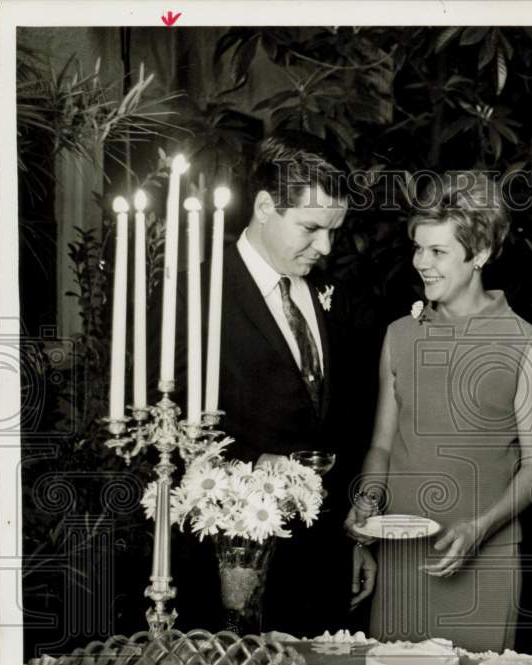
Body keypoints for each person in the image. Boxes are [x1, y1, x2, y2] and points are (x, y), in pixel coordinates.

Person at [149, 131, 375, 637]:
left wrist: (356, 542)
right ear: (267, 205)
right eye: (311, 228)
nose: (325, 247)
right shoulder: (193, 296)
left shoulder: (334, 292)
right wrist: (253, 468)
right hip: (231, 565)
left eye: (334, 230)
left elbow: (348, 421)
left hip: (322, 569)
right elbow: (163, 435)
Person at [345, 171, 532, 653]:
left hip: (486, 561)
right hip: (404, 557)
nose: (422, 262)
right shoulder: (400, 334)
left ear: (479, 254)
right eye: (418, 248)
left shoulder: (524, 343)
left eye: (438, 252)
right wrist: (367, 508)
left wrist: (480, 528)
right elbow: (381, 444)